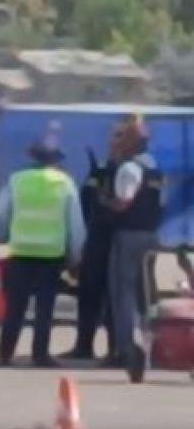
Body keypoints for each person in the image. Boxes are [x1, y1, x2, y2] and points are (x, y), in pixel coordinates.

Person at [0, 138, 86, 367]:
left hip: (20, 251)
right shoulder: (64, 183)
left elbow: (0, 214)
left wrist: (1, 237)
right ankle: (40, 353)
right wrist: (75, 257)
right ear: (56, 160)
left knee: (16, 305)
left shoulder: (17, 180)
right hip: (51, 255)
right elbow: (75, 225)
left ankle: (5, 352)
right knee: (45, 307)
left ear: (32, 156)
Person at [104, 118, 163, 383]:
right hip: (151, 234)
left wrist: (105, 202)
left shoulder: (130, 168)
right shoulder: (155, 168)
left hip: (128, 235)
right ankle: (152, 343)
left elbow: (124, 202)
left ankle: (128, 349)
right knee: (146, 293)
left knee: (123, 292)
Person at [59, 143, 122, 361]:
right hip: (96, 239)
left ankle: (115, 349)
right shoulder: (100, 172)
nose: (115, 146)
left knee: (116, 298)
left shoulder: (132, 172)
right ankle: (84, 346)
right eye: (114, 140)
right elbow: (84, 204)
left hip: (118, 241)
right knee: (88, 295)